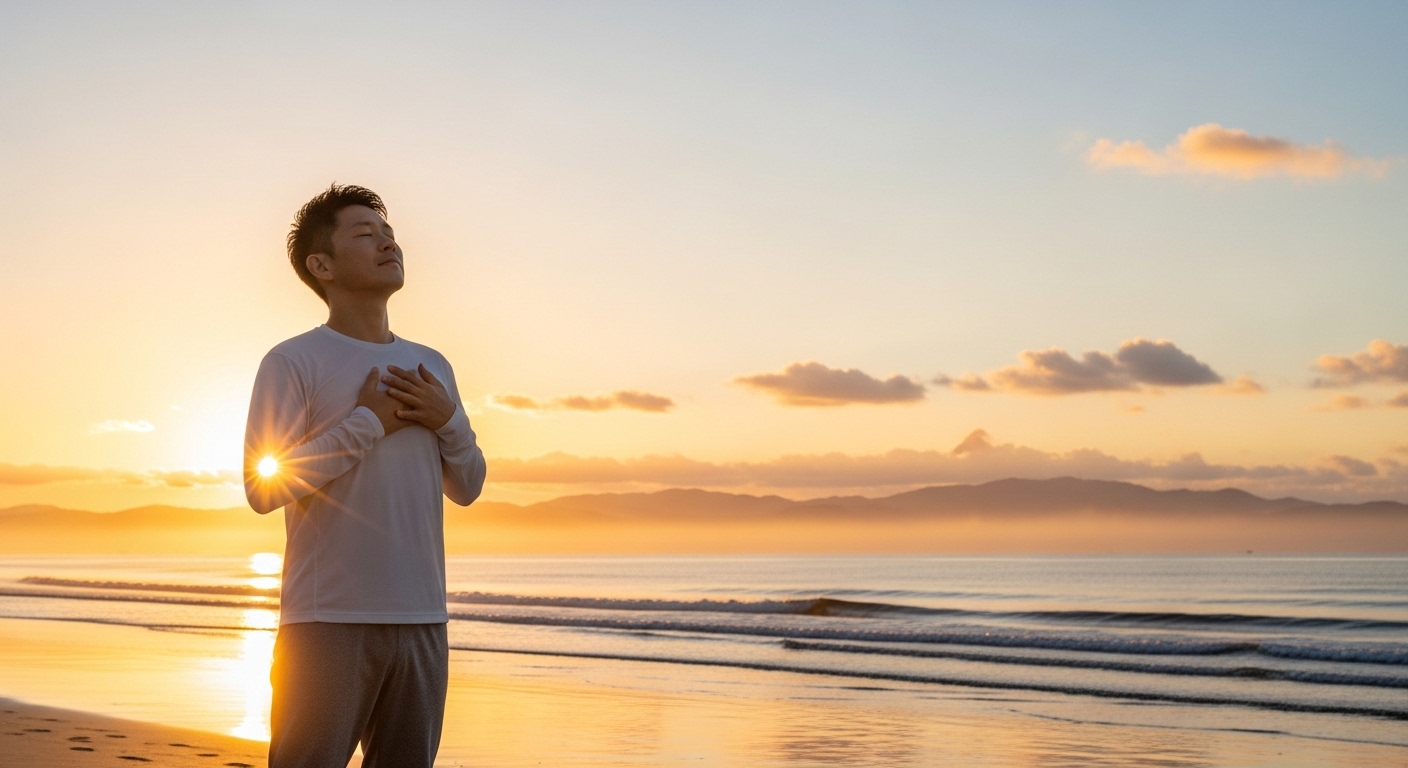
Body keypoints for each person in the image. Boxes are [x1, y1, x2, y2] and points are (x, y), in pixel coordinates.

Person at [243, 184, 486, 768]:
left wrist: (447, 419)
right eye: (365, 234)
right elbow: (263, 488)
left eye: (389, 233)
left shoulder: (435, 365)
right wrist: (367, 423)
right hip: (327, 622)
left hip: (423, 619)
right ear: (320, 265)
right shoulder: (293, 360)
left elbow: (469, 484)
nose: (388, 242)